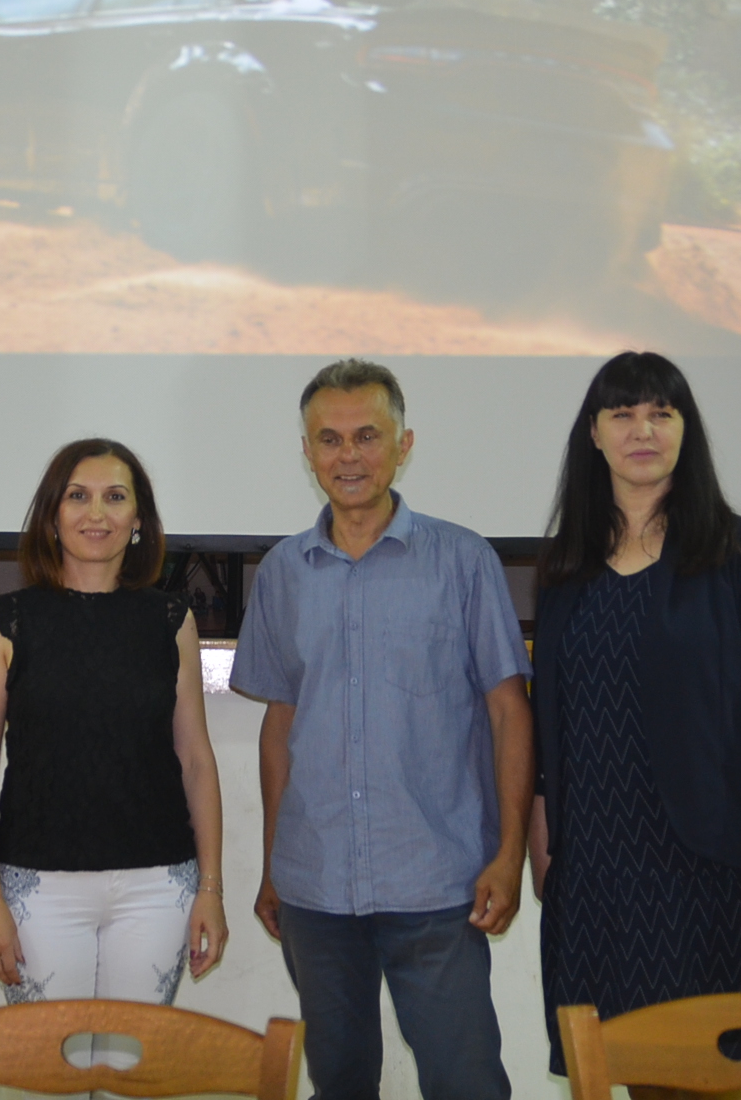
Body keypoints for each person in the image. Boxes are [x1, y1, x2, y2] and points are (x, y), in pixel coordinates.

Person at [231, 359, 532, 1100]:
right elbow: (280, 724)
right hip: (315, 887)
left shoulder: (463, 562)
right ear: (307, 454)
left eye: (367, 436)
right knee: (341, 1084)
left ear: (404, 444)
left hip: (439, 881)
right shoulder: (281, 572)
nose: (348, 455)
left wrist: (510, 853)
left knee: (467, 1085)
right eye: (329, 440)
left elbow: (508, 712)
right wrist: (273, 861)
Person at [529, 351, 741, 1087]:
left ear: (687, 430)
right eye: (622, 414)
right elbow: (552, 718)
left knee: (715, 1077)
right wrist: (544, 837)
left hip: (711, 878)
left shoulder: (740, 553)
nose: (642, 430)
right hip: (598, 882)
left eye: (662, 412)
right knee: (626, 1073)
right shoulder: (566, 569)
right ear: (593, 434)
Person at [0, 437, 231, 1013]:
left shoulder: (170, 620)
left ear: (138, 519)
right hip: (36, 888)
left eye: (115, 497)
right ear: (52, 516)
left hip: (159, 887)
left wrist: (211, 887)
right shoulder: (4, 621)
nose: (97, 513)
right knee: (47, 1075)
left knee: (130, 1073)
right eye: (78, 496)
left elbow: (196, 761)